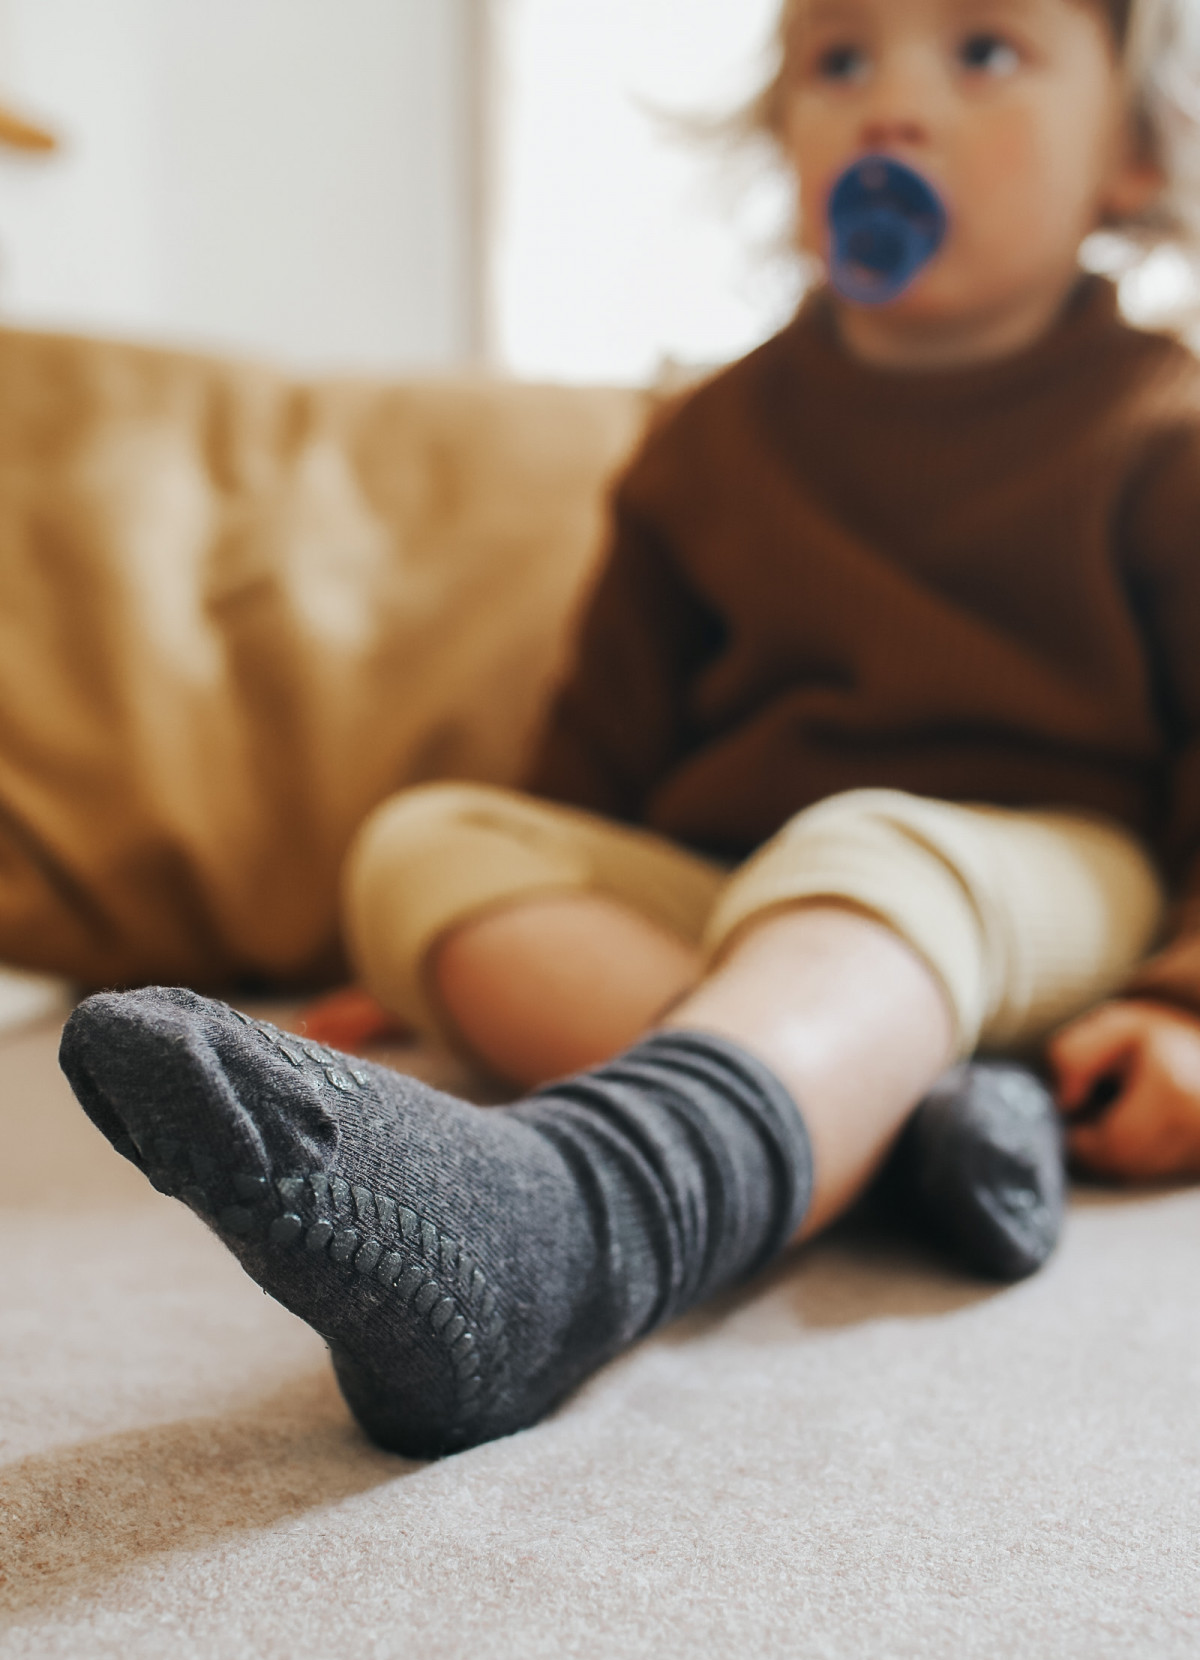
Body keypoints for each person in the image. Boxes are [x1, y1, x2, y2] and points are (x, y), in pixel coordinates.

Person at [60, 0, 1200, 1461]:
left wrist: (1181, 1011)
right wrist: (437, 965)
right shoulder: (711, 442)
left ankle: (595, 1213)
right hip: (735, 902)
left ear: (1132, 151)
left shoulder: (1161, 431)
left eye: (983, 51)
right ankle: (907, 1128)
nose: (890, 108)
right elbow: (590, 769)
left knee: (866, 842)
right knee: (424, 841)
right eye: (838, 61)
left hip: (1035, 885)